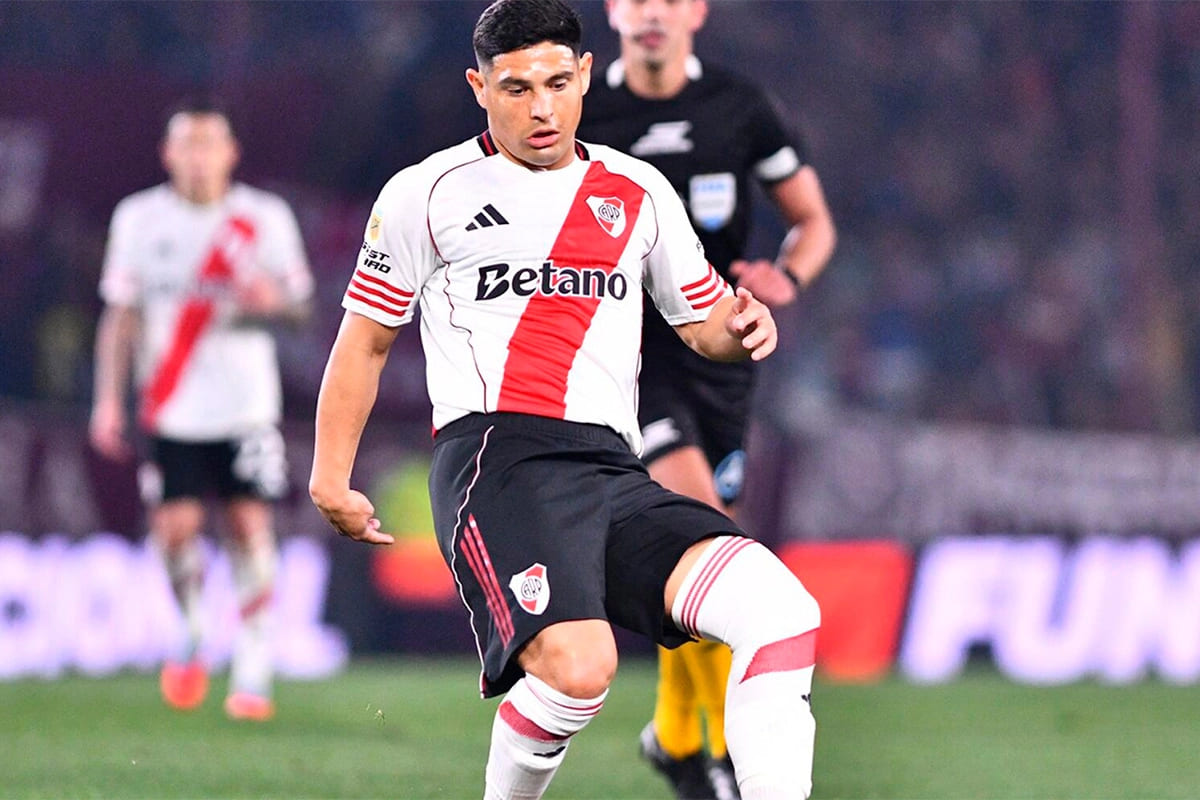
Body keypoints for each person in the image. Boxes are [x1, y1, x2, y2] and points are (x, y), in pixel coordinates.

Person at [309, 2, 820, 798]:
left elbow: (702, 322)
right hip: (498, 461)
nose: (540, 107)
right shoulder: (427, 193)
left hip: (613, 469)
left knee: (779, 609)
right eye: (516, 88)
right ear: (480, 87)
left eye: (556, 83)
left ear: (584, 75)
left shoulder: (637, 190)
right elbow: (366, 341)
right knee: (582, 668)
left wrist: (743, 326)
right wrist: (329, 475)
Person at [577, 1, 837, 797]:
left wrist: (786, 276)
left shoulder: (740, 107)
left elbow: (813, 222)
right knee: (708, 532)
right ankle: (723, 752)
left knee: (696, 546)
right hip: (632, 357)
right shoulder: (582, 112)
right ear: (614, 10)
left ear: (697, 9)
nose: (652, 11)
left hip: (721, 356)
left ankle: (675, 733)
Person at [89, 97, 314, 722]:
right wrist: (107, 401)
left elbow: (303, 308)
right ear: (168, 153)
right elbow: (121, 315)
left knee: (248, 526)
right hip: (171, 406)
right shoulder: (138, 218)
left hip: (247, 406)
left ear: (230, 152)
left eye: (209, 144)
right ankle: (192, 626)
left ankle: (253, 662)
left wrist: (273, 302)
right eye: (187, 144)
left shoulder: (263, 218)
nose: (198, 157)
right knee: (175, 530)